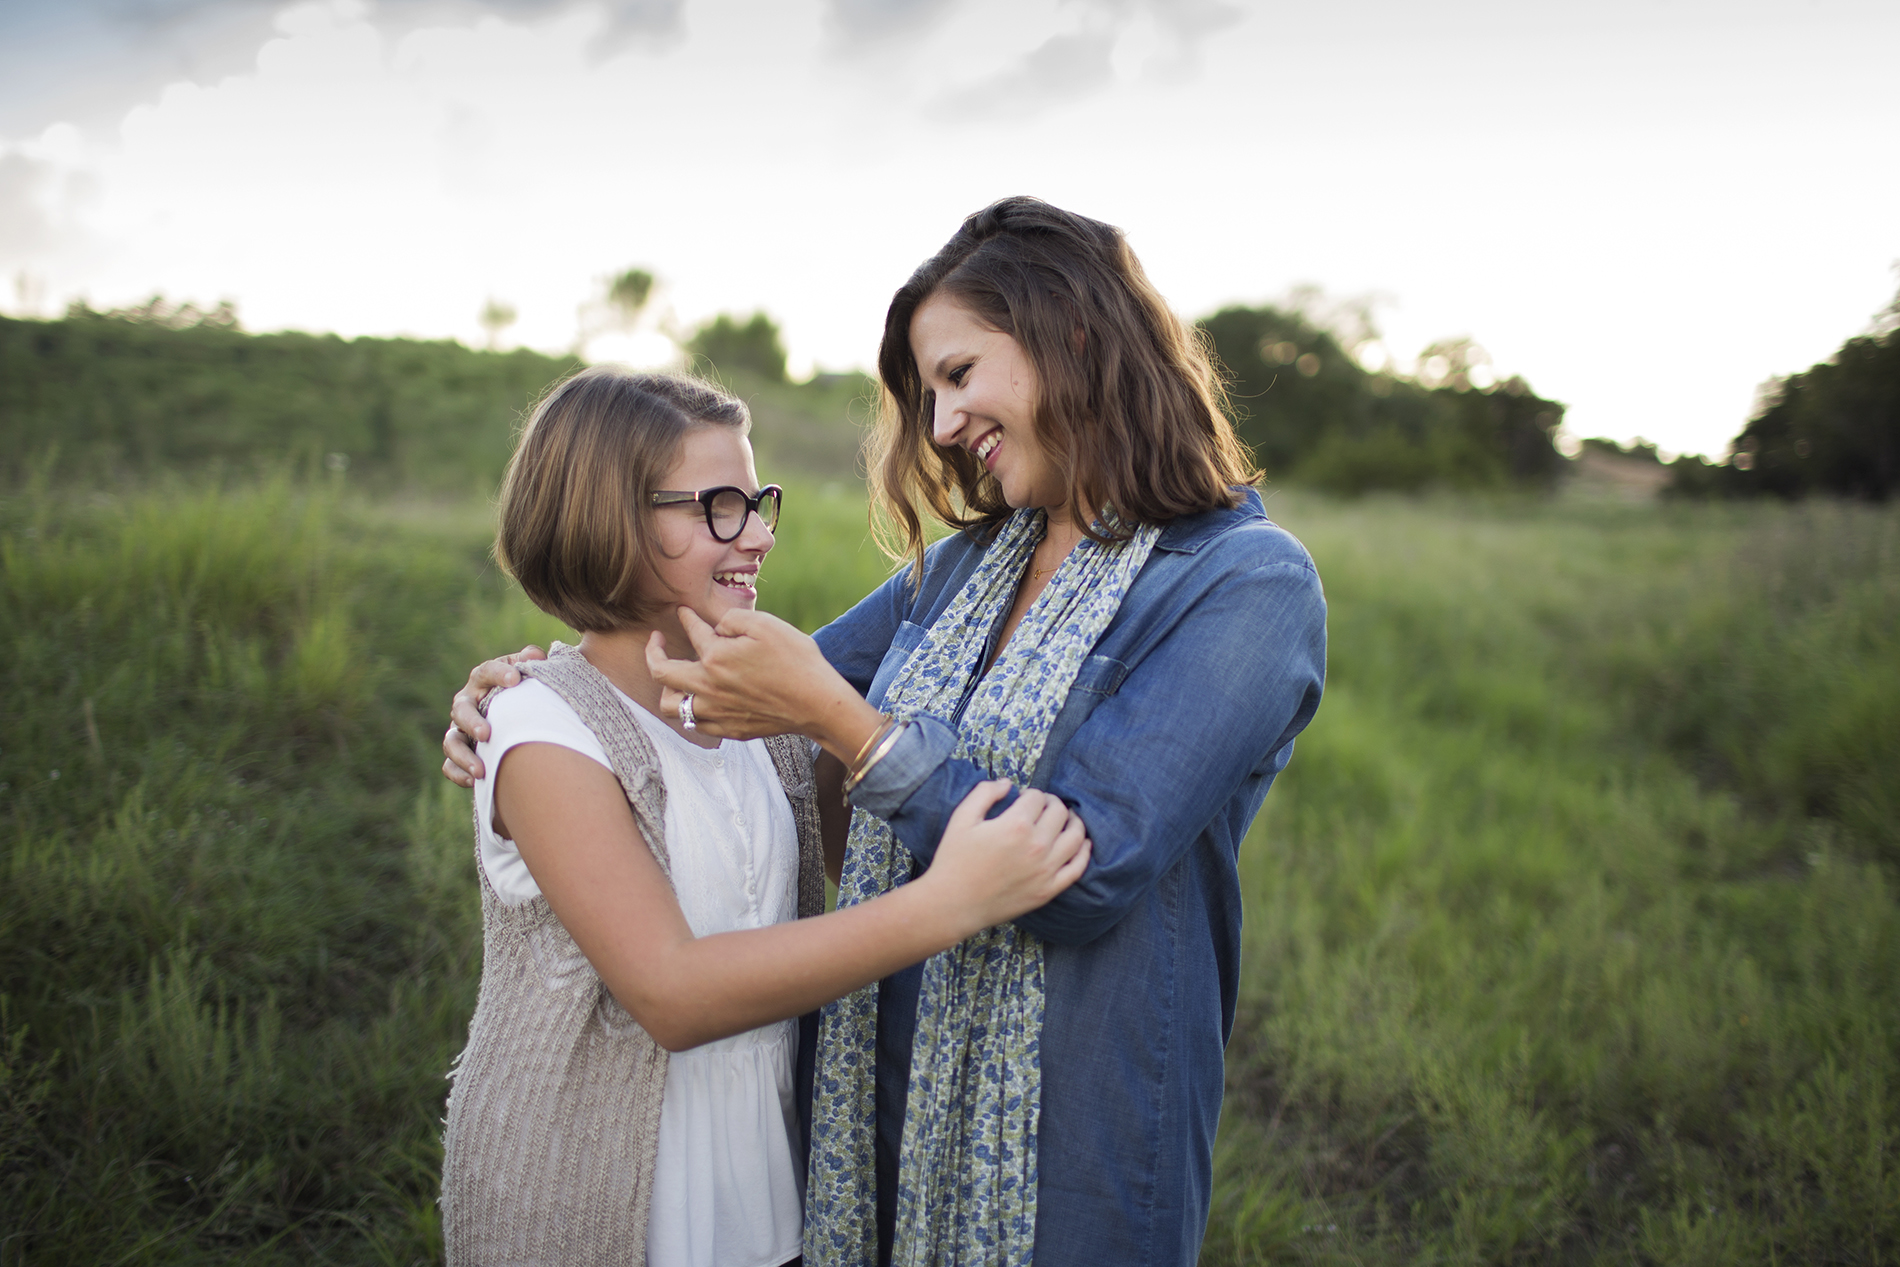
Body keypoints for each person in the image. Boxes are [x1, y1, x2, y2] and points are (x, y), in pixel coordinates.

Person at [446, 197, 1326, 1265]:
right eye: (928, 393)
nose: (942, 425)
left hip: (1070, 1129)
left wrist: (850, 730)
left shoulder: (1245, 582)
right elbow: (703, 695)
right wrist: (533, 690)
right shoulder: (968, 566)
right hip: (877, 1095)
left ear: (1073, 335)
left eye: (958, 374)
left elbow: (1082, 872)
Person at [438, 364, 1092, 1267]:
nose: (756, 534)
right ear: (603, 516)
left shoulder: (761, 721)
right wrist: (952, 903)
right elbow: (672, 993)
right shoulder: (538, 725)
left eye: (757, 502)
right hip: (587, 1207)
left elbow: (863, 856)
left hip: (771, 1208)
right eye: (717, 507)